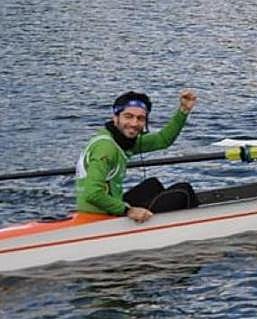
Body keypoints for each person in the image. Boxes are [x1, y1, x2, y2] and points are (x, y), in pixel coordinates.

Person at [75, 89, 198, 224]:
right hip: (99, 218)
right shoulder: (107, 148)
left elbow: (162, 139)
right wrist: (128, 210)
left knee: (152, 185)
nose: (134, 123)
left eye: (140, 118)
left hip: (106, 207)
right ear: (115, 117)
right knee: (184, 191)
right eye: (128, 116)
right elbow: (92, 193)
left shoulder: (122, 139)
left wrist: (183, 111)